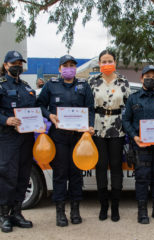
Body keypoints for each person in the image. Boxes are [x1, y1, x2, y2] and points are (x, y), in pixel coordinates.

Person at [37, 55, 95, 227]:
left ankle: (75, 210)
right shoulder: (51, 85)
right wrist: (49, 115)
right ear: (60, 69)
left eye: (72, 65)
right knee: (60, 174)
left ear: (75, 68)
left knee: (76, 175)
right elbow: (39, 105)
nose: (69, 68)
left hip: (79, 138)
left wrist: (90, 126)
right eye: (66, 65)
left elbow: (90, 109)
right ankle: (60, 212)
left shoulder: (84, 86)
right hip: (59, 137)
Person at [122, 65, 154, 224]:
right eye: (147, 76)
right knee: (142, 178)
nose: (150, 79)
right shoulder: (134, 98)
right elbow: (125, 120)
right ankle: (142, 212)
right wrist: (134, 136)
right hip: (141, 145)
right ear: (141, 78)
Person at [88, 50, 131, 222]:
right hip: (97, 128)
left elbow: (129, 105)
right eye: (103, 61)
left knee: (115, 166)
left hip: (117, 128)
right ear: (99, 63)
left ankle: (115, 206)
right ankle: (103, 205)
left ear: (115, 62)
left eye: (110, 60)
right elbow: (87, 106)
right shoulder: (91, 81)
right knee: (101, 166)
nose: (107, 63)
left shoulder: (123, 81)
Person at [0, 51, 36, 233]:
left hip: (26, 138)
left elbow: (35, 109)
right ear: (6, 65)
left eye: (20, 63)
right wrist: (5, 120)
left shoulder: (26, 87)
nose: (18, 66)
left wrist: (47, 117)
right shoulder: (1, 86)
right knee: (8, 176)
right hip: (7, 139)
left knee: (23, 176)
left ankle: (17, 212)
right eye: (14, 63)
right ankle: (4, 215)